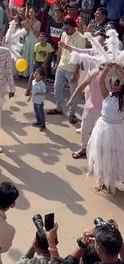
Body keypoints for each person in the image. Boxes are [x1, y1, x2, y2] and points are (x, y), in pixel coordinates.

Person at [87, 64, 124, 194]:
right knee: (101, 154)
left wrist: (121, 70)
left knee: (114, 156)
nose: (113, 86)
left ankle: (111, 181)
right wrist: (107, 69)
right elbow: (101, 82)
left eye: (116, 84)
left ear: (120, 85)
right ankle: (100, 179)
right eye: (112, 83)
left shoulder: (122, 99)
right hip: (103, 128)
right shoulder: (106, 95)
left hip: (117, 129)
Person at [47, 17, 86, 124]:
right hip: (61, 66)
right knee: (56, 88)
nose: (65, 31)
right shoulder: (64, 34)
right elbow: (60, 49)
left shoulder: (81, 38)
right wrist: (56, 64)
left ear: (74, 28)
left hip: (72, 69)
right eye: (64, 29)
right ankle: (59, 108)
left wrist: (76, 73)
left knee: (73, 93)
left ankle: (72, 113)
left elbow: (80, 55)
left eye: (67, 29)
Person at [68, 68, 103, 159]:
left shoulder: (112, 75)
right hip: (89, 108)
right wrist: (72, 98)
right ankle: (84, 149)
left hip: (103, 112)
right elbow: (82, 85)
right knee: (84, 129)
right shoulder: (94, 72)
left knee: (97, 133)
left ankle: (94, 153)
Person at [22, 8, 41, 86]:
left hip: (34, 41)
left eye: (32, 12)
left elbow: (37, 34)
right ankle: (25, 73)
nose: (30, 14)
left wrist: (31, 26)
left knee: (32, 57)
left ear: (35, 13)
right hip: (28, 40)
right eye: (29, 12)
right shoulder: (27, 21)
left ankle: (31, 74)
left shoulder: (38, 22)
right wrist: (26, 26)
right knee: (26, 56)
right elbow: (26, 33)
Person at [31, 66, 47, 131]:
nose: (35, 74)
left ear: (41, 77)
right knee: (36, 111)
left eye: (37, 74)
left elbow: (44, 92)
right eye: (35, 72)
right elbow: (33, 90)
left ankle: (43, 125)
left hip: (40, 101)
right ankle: (38, 122)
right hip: (34, 100)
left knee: (40, 112)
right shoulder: (33, 81)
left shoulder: (42, 84)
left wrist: (39, 93)